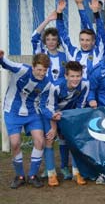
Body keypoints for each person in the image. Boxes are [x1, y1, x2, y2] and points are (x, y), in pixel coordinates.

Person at [0, 50, 51, 189]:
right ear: (33, 66)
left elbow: (43, 104)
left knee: (40, 141)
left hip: (32, 113)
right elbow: (5, 63)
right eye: (39, 69)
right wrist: (1, 57)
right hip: (12, 111)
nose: (42, 73)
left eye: (44, 70)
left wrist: (52, 117)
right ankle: (20, 175)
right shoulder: (22, 70)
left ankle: (33, 175)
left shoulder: (47, 83)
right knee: (15, 143)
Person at [41, 61, 90, 186]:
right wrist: (53, 124)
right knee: (50, 138)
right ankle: (51, 172)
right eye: (72, 76)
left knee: (71, 138)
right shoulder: (55, 86)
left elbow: (80, 105)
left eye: (78, 76)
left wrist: (72, 121)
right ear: (66, 76)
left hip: (68, 114)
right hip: (49, 112)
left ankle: (74, 171)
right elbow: (48, 107)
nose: (75, 79)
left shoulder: (85, 84)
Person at [31, 11, 68, 83]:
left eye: (54, 39)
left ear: (58, 41)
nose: (51, 42)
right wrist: (47, 20)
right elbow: (34, 38)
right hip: (43, 92)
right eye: (48, 39)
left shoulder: (65, 56)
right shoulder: (41, 54)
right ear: (45, 41)